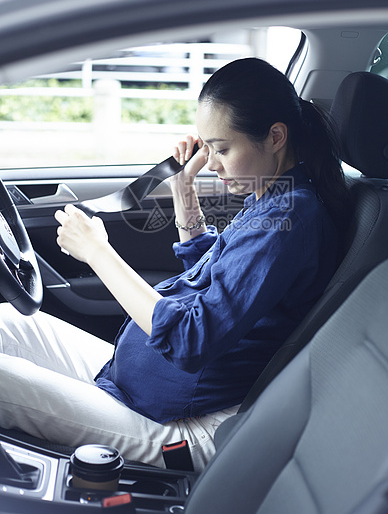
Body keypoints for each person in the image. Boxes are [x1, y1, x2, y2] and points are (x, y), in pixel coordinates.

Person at [0, 58, 350, 471]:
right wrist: (183, 189)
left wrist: (97, 252)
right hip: (136, 385)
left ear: (275, 136)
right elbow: (216, 279)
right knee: (11, 321)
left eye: (222, 149)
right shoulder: (273, 198)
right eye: (208, 148)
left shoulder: (289, 220)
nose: (213, 163)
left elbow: (190, 337)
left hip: (182, 425)